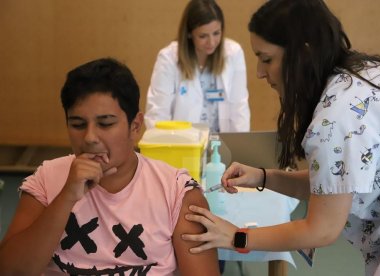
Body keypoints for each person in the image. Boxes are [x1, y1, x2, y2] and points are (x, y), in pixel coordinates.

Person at [181, 0, 380, 275]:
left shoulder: (335, 120)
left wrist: (236, 236)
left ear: (303, 54)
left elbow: (322, 229)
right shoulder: (365, 74)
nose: (259, 72)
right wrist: (263, 177)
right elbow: (332, 184)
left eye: (267, 59)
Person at [0, 58, 220, 275]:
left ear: (135, 126)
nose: (90, 137)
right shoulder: (48, 179)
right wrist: (66, 196)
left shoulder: (176, 193)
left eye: (105, 124)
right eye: (77, 124)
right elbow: (11, 270)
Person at [144, 0, 250, 133]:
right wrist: (164, 149)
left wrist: (239, 149)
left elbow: (239, 107)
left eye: (216, 33)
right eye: (203, 36)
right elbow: (158, 113)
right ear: (189, 33)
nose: (211, 42)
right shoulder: (168, 58)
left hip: (222, 145)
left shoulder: (233, 53)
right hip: (182, 146)